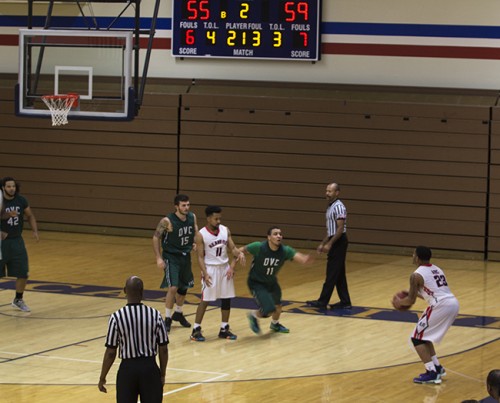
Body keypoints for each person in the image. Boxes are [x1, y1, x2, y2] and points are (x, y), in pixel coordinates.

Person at [392, 246, 459, 385]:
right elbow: (431, 293)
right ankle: (437, 367)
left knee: (416, 338)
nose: (412, 256)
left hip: (440, 305)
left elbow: (410, 300)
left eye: (413, 254)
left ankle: (431, 373)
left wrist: (399, 302)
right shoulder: (436, 268)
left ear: (417, 257)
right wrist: (411, 293)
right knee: (425, 336)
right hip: (451, 302)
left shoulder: (415, 275)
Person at [98, 276, 169, 403]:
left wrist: (102, 377)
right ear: (142, 291)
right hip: (149, 368)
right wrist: (162, 374)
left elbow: (110, 352)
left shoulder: (116, 317)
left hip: (127, 370)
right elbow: (163, 349)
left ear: (125, 291)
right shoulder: (155, 315)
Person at [241, 226, 313, 334]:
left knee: (278, 306)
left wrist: (305, 259)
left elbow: (299, 257)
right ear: (269, 237)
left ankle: (275, 324)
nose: (279, 236)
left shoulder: (284, 250)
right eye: (275, 234)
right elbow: (239, 250)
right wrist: (233, 265)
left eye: (280, 234)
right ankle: (253, 315)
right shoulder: (258, 247)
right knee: (269, 310)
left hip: (271, 282)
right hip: (257, 282)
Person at [153, 194, 208, 332]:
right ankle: (167, 318)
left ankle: (178, 313)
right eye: (183, 205)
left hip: (185, 256)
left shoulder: (192, 217)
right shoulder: (167, 221)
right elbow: (155, 238)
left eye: (188, 205)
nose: (186, 207)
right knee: (173, 287)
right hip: (171, 256)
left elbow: (195, 232)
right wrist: (158, 258)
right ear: (176, 206)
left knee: (184, 287)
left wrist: (195, 242)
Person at [190, 205, 245, 342]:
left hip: (224, 268)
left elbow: (232, 248)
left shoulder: (225, 230)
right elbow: (200, 257)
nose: (218, 221)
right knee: (205, 299)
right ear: (208, 219)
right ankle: (196, 330)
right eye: (216, 219)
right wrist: (205, 273)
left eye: (220, 218)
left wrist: (239, 254)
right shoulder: (201, 234)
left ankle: (224, 328)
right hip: (210, 268)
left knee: (226, 299)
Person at [307, 182, 352, 309]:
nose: (327, 193)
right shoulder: (330, 207)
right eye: (326, 191)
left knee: (332, 272)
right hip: (334, 239)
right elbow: (331, 230)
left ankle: (322, 301)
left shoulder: (339, 207)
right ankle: (345, 302)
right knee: (339, 273)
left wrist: (330, 244)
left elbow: (340, 229)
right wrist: (323, 243)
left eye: (330, 191)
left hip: (339, 241)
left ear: (337, 193)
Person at [0, 177, 39, 312]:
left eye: (13, 186)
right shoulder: (0, 201)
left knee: (23, 271)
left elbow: (30, 215)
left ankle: (18, 299)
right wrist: (5, 215)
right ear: (3, 188)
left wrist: (34, 230)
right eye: (9, 186)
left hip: (16, 240)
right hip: (1, 241)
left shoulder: (21, 200)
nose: (12, 188)